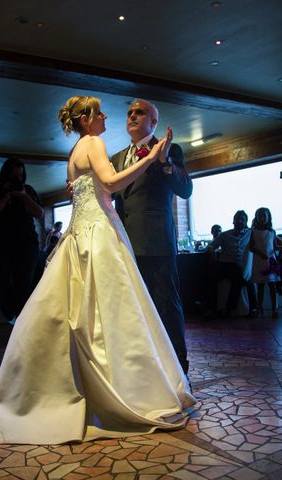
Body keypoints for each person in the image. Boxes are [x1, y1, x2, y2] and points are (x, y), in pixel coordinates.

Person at [0, 95, 194, 445]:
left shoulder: (83, 152)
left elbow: (101, 187)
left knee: (116, 311)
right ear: (87, 120)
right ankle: (117, 385)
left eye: (137, 112)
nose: (110, 116)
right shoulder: (99, 146)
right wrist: (146, 164)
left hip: (112, 237)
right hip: (100, 235)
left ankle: (107, 379)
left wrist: (158, 161)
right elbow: (112, 183)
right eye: (100, 112)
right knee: (115, 313)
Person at [110, 99, 193, 374]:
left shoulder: (170, 150)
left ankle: (179, 371)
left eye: (140, 112)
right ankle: (145, 372)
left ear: (153, 122)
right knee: (133, 313)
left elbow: (185, 190)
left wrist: (164, 161)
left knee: (166, 308)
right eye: (130, 113)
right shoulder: (117, 158)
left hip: (157, 245)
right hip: (126, 247)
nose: (132, 116)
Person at [0, 158, 44, 351]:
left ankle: (24, 333)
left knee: (23, 288)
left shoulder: (27, 190)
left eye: (21, 175)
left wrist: (22, 196)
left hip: (26, 246)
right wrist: (6, 194)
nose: (18, 179)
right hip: (1, 246)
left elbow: (39, 213)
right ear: (6, 174)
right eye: (14, 175)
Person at [205, 210, 257, 318]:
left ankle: (237, 309)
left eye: (242, 219)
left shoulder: (250, 233)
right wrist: (211, 251)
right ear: (233, 221)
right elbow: (210, 246)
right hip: (224, 264)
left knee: (244, 279)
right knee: (210, 279)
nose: (239, 221)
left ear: (246, 222)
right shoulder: (224, 235)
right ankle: (212, 308)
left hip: (241, 266)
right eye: (237, 219)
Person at [249, 207, 281, 318]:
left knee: (272, 285)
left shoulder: (272, 232)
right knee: (260, 285)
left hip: (270, 261)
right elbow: (251, 247)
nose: (262, 218)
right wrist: (261, 254)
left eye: (264, 216)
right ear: (256, 217)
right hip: (259, 261)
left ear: (268, 217)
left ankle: (274, 308)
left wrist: (277, 252)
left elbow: (275, 246)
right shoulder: (253, 232)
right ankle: (260, 307)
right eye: (260, 215)